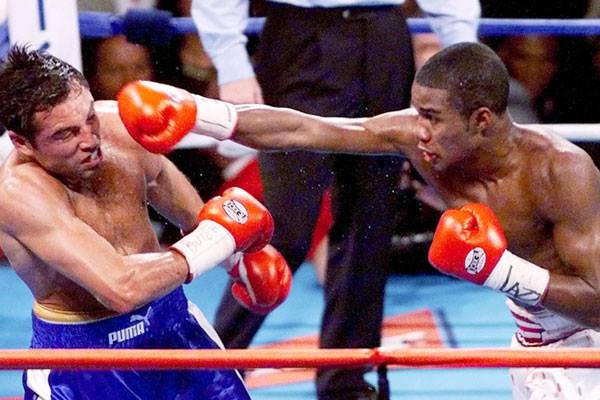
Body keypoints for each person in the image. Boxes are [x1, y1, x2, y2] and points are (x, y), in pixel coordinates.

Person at [117, 41, 600, 399]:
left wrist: (500, 271)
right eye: (417, 112)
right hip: (531, 338)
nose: (419, 129)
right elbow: (304, 129)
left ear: (481, 121)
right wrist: (202, 114)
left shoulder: (560, 172)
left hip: (586, 340)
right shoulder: (423, 139)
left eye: (433, 117)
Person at [191, 0, 480, 397]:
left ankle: (345, 381)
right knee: (282, 229)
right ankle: (212, 366)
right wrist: (231, 64)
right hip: (300, 39)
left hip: (384, 37)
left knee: (369, 223)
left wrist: (463, 55)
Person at [0, 45, 292, 399]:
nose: (90, 140)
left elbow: (162, 182)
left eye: (89, 118)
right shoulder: (18, 194)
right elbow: (121, 289)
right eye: (65, 134)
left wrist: (238, 259)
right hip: (82, 363)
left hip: (174, 326)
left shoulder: (118, 128)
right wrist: (220, 238)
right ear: (22, 143)